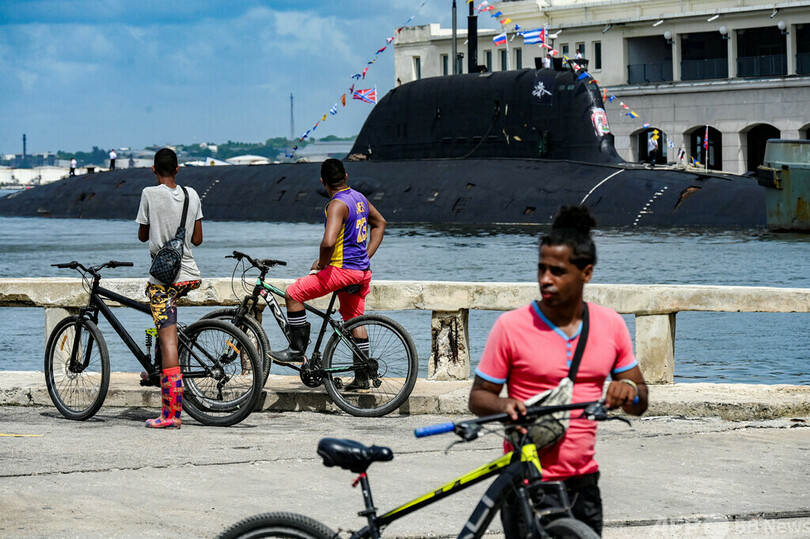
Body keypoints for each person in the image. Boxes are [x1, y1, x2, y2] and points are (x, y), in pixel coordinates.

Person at [468, 204, 648, 536]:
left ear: (586, 273)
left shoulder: (610, 325)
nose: (545, 280)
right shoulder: (511, 326)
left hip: (584, 485)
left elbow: (641, 400)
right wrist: (503, 404)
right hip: (526, 484)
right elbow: (479, 397)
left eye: (557, 271)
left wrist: (630, 391)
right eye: (541, 269)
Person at [270, 158, 386, 389]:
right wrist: (365, 256)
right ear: (346, 176)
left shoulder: (337, 204)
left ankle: (296, 350)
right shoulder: (359, 198)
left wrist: (322, 264)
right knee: (353, 319)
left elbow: (328, 242)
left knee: (293, 294)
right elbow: (380, 223)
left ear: (323, 181)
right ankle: (362, 377)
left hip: (342, 271)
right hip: (361, 272)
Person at [136, 148, 204, 429]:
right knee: (166, 329)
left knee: (168, 342)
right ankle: (158, 370)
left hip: (164, 279)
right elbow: (197, 239)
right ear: (178, 169)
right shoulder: (192, 194)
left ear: (154, 169)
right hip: (189, 274)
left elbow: (142, 236)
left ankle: (171, 414)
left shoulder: (149, 194)